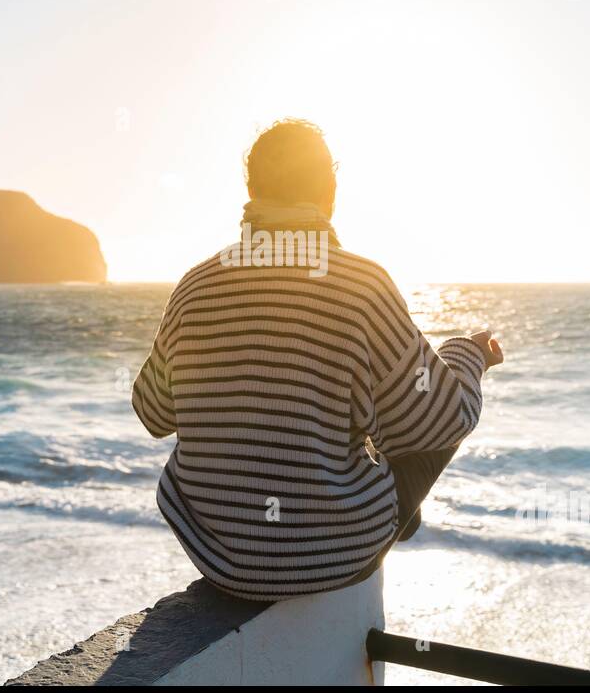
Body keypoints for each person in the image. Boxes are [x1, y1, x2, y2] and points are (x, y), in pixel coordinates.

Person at [132, 119, 503, 601]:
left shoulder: (196, 283)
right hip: (333, 559)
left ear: (252, 190)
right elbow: (443, 420)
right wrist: (467, 356)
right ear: (330, 188)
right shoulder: (361, 282)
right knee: (439, 409)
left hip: (217, 555)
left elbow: (153, 413)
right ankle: (384, 515)